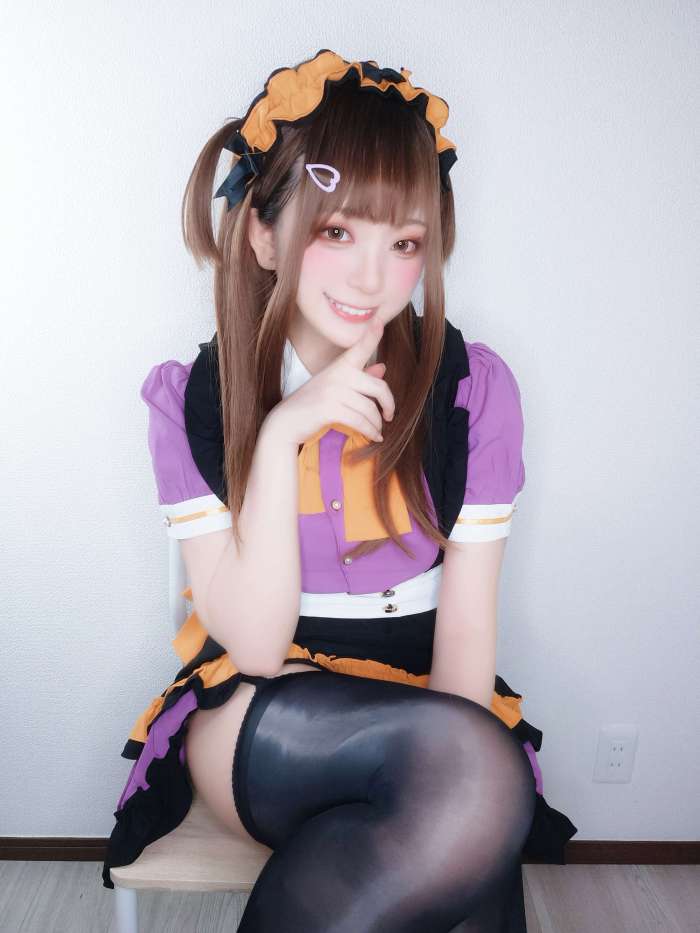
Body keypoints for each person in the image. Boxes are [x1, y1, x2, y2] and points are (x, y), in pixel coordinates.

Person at [102, 50, 578, 931]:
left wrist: (453, 759)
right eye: (337, 232)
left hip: (429, 702)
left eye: (405, 243)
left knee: (464, 803)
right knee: (471, 792)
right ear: (262, 235)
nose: (372, 277)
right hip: (262, 705)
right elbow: (251, 643)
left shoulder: (471, 389)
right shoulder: (196, 400)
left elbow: (465, 630)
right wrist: (282, 434)